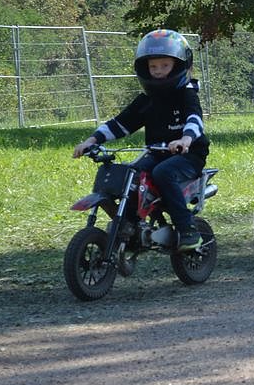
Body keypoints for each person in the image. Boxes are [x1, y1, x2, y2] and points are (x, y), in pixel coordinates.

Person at [73, 29, 211, 251]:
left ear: (179, 65)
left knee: (163, 172)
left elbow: (194, 119)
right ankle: (129, 226)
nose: (157, 72)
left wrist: (186, 139)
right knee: (130, 174)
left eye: (165, 66)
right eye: (152, 67)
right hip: (157, 154)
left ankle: (188, 230)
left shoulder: (186, 94)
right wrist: (91, 140)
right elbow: (119, 124)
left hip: (188, 156)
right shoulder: (146, 100)